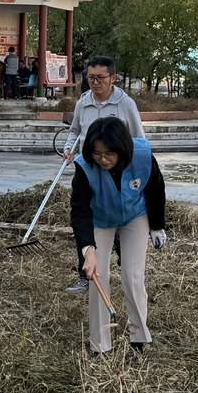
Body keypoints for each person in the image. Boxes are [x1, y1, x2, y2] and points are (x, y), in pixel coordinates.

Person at [71, 117, 166, 360]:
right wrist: (87, 250)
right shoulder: (84, 167)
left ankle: (139, 340)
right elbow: (80, 209)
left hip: (135, 214)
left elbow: (155, 189)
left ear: (122, 149)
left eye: (110, 153)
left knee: (133, 276)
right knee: (97, 276)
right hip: (100, 218)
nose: (103, 159)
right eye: (97, 153)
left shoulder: (142, 156)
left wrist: (156, 226)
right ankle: (100, 346)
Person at [63, 56, 145, 296]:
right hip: (90, 170)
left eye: (100, 78)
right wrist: (69, 148)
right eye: (90, 78)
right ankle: (85, 276)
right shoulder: (83, 103)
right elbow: (76, 131)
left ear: (113, 78)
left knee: (120, 220)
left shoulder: (125, 104)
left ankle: (125, 263)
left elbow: (139, 140)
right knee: (87, 221)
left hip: (119, 173)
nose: (95, 83)